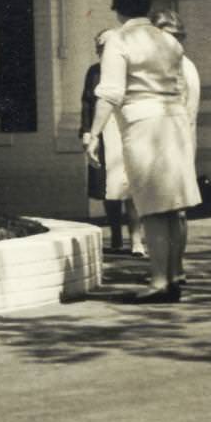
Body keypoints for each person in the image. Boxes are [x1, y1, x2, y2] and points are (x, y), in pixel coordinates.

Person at [83, 0, 200, 303]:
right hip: (174, 124)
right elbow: (180, 88)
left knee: (151, 208)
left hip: (143, 126)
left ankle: (160, 281)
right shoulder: (169, 42)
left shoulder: (119, 41)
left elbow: (110, 94)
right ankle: (174, 273)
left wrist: (94, 133)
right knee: (173, 205)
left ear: (117, 8)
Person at [80, 29, 145, 256]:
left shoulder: (130, 71)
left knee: (131, 189)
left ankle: (136, 241)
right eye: (98, 47)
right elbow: (88, 103)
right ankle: (116, 237)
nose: (100, 51)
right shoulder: (94, 72)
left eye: (104, 46)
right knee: (108, 189)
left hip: (126, 133)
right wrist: (87, 132)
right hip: (103, 136)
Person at [152, 9, 200, 287]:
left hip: (173, 142)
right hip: (173, 142)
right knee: (171, 210)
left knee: (171, 210)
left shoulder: (180, 67)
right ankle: (172, 267)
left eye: (171, 36)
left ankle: (173, 267)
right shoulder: (177, 64)